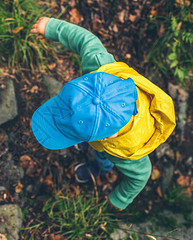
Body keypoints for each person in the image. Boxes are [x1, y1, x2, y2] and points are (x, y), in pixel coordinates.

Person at [30, 17, 176, 210]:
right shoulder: (99, 71)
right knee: (88, 131)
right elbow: (86, 41)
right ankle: (83, 133)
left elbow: (141, 174)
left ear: (110, 135)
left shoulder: (126, 152)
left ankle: (96, 168)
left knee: (102, 159)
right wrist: (52, 27)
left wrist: (120, 198)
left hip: (113, 147)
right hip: (102, 131)